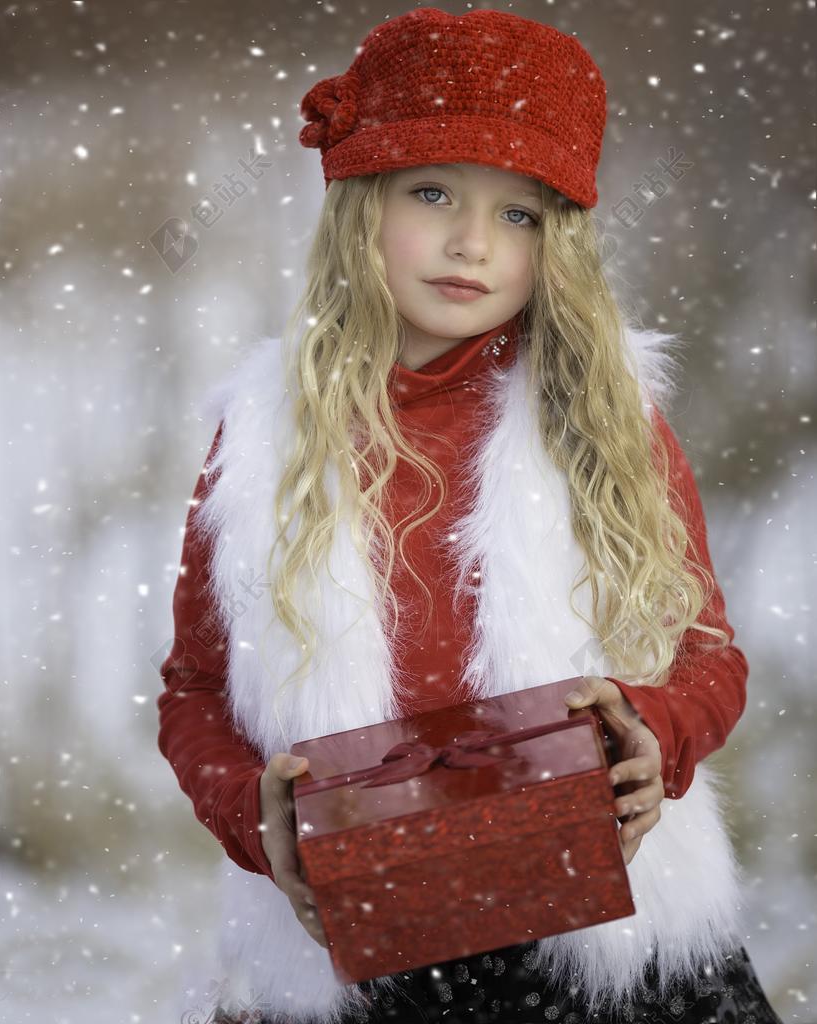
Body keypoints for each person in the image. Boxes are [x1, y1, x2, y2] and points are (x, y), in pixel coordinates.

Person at [156, 8, 784, 1024]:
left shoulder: (603, 415)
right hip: (357, 941)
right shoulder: (263, 436)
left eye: (518, 214)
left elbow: (708, 654)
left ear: (557, 240)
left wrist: (652, 733)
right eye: (433, 193)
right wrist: (250, 811)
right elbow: (194, 689)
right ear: (360, 204)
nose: (471, 242)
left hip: (606, 942)